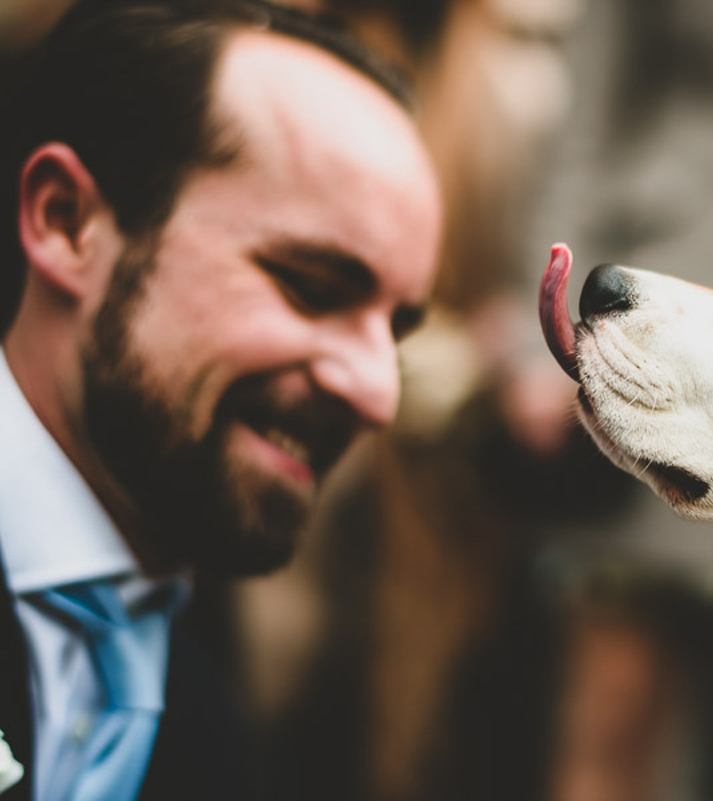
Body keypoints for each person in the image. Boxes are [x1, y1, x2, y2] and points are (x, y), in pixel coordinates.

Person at [0, 0, 442, 799]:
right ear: (68, 223)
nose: (379, 394)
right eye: (310, 288)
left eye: (396, 329)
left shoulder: (213, 717)